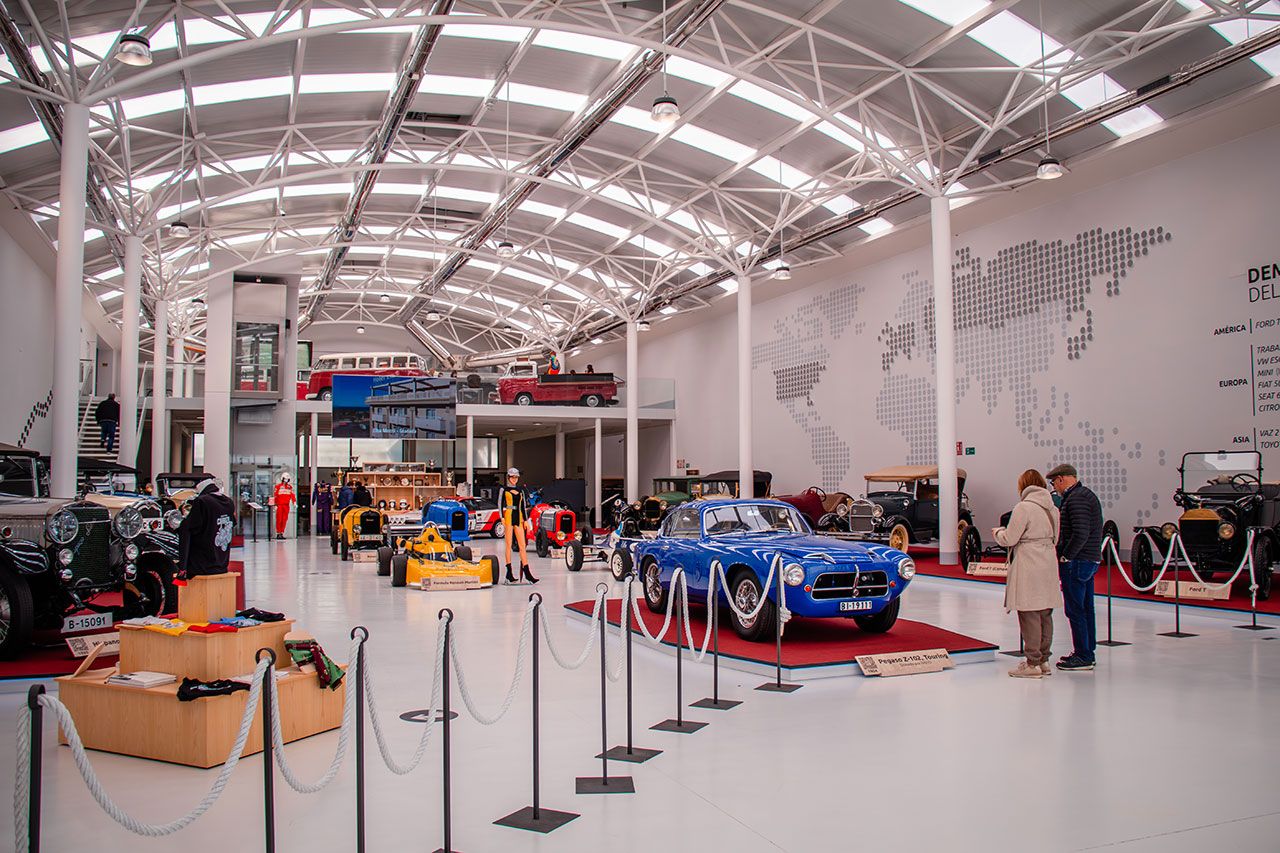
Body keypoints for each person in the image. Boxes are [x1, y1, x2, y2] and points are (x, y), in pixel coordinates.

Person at [993, 470, 1062, 678]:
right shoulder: (1053, 509)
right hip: (1048, 562)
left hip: (1029, 563)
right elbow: (1056, 538)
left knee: (1029, 613)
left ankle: (1032, 663)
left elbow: (1010, 538)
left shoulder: (1023, 508)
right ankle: (1044, 660)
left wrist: (998, 533)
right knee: (1045, 614)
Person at [1048, 463, 1104, 671]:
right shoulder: (1085, 495)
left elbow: (1080, 532)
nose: (1055, 488)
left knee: (1076, 609)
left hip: (1078, 561)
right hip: (1088, 559)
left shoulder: (1076, 498)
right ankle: (1087, 651)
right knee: (1086, 608)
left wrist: (1066, 556)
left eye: (1054, 483)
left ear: (1061, 479)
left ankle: (1083, 654)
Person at [177, 478, 237, 582]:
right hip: (222, 562)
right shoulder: (228, 501)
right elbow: (233, 523)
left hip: (203, 564)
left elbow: (190, 528)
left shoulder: (202, 501)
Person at [499, 467, 538, 584]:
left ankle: (527, 572)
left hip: (519, 517)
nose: (514, 479)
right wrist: (501, 517)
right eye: (512, 477)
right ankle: (509, 572)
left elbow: (523, 506)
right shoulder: (504, 489)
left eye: (516, 477)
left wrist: (525, 520)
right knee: (508, 544)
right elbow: (500, 504)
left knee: (522, 545)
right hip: (508, 516)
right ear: (508, 477)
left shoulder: (521, 490)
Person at [272, 474, 296, 540]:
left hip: (286, 505)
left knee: (284, 519)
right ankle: (278, 533)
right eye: (285, 479)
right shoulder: (278, 486)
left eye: (287, 479)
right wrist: (275, 504)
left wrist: (294, 502)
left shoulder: (289, 487)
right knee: (279, 519)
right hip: (279, 505)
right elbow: (275, 496)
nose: (286, 480)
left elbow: (292, 495)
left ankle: (281, 533)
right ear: (282, 478)